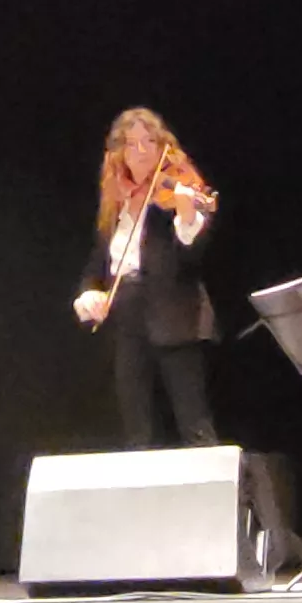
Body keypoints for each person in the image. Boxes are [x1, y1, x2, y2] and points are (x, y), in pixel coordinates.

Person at [73, 108, 221, 448]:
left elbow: (191, 257)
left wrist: (186, 215)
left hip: (173, 314)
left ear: (162, 146)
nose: (141, 151)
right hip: (126, 317)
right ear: (120, 152)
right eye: (132, 144)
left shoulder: (174, 190)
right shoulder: (117, 200)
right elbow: (98, 267)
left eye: (149, 142)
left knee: (194, 424)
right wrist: (88, 295)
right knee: (136, 428)